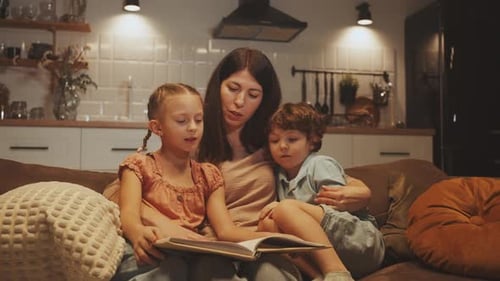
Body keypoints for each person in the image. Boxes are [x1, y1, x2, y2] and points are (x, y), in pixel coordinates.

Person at [112, 83, 275, 281]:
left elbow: (226, 230)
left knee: (214, 265)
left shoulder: (209, 175)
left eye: (199, 120)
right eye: (182, 121)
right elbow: (128, 214)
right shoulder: (139, 166)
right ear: (157, 127)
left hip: (191, 254)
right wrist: (138, 233)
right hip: (147, 252)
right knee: (174, 268)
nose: (193, 128)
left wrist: (274, 241)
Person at [258, 102, 385, 281]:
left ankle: (338, 274)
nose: (282, 146)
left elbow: (339, 210)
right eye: (274, 140)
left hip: (360, 242)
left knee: (284, 208)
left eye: (292, 139)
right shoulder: (279, 176)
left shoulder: (320, 164)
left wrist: (286, 208)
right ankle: (317, 275)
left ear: (312, 141)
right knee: (267, 225)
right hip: (325, 251)